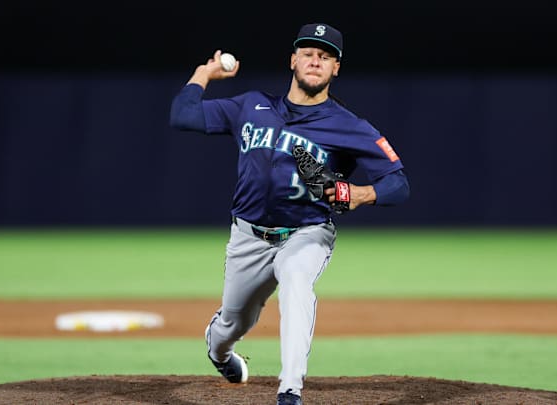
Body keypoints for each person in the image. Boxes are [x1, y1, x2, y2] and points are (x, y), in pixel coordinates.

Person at [169, 22, 410, 405]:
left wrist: (359, 192)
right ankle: (220, 352)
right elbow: (183, 116)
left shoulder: (351, 127)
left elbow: (398, 185)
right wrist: (204, 73)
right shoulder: (250, 105)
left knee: (297, 285)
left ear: (336, 69)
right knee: (233, 322)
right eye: (309, 53)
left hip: (307, 231)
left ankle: (290, 391)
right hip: (248, 236)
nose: (316, 60)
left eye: (326, 56)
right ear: (293, 60)